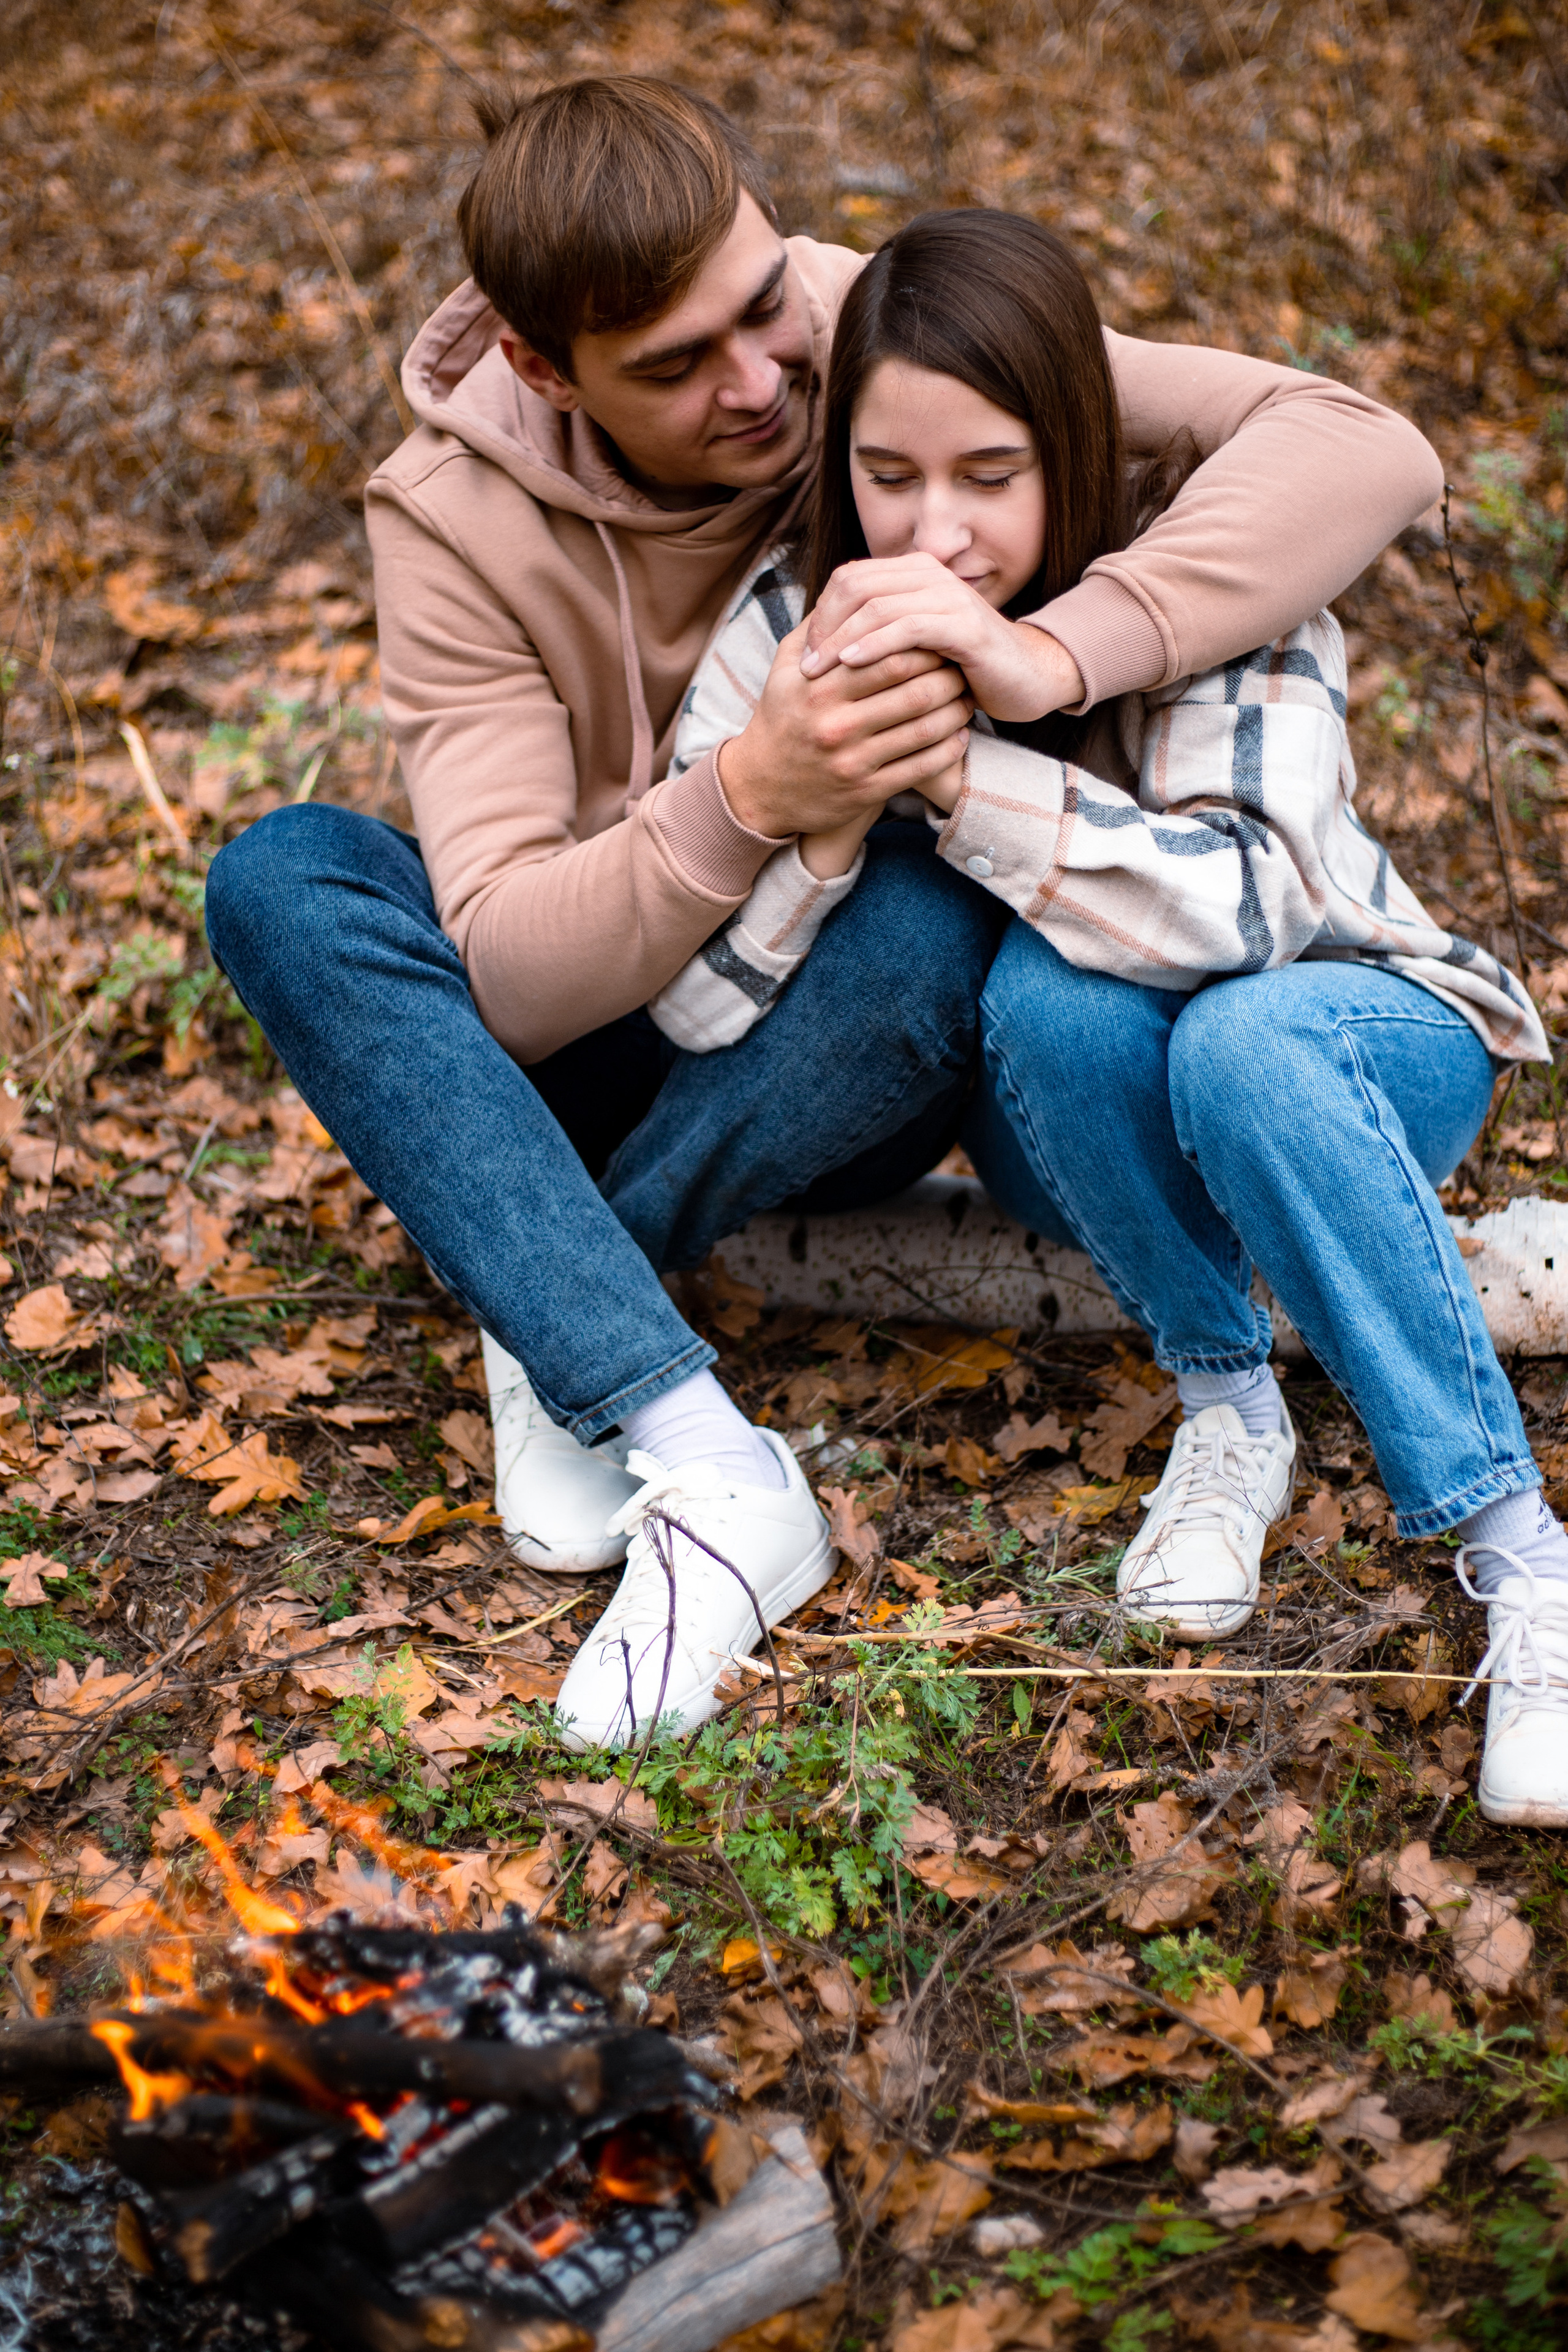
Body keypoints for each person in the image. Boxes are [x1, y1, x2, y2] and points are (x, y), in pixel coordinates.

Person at [203, 76, 1448, 1757]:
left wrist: (1059, 657)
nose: (766, 382)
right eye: (677, 366)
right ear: (541, 369)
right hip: (610, 1015)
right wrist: (745, 800)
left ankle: (545, 1277)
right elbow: (499, 973)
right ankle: (676, 1425)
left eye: (762, 303)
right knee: (286, 874)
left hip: (835, 1027)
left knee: (938, 897)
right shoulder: (454, 521)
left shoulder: (869, 324)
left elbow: (1363, 445)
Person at [654, 208, 1564, 1830]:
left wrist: (964, 763)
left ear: (1072, 443)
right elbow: (697, 993)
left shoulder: (1217, 574)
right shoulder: (800, 624)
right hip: (1080, 1136)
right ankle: (1233, 1412)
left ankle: (1522, 1558)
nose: (933, 536)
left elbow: (1246, 913)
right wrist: (813, 804)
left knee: (1241, 1040)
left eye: (991, 476)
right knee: (1049, 995)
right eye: (890, 474)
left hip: (1356, 1045)